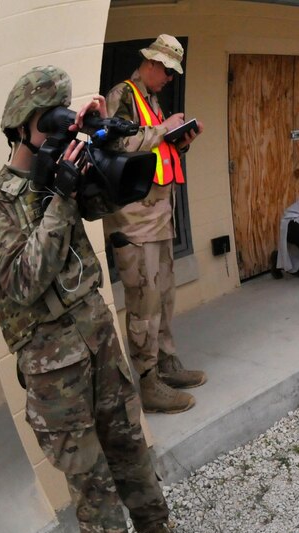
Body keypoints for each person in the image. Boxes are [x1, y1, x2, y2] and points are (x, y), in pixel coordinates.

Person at [0, 66, 206, 533]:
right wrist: (60, 196)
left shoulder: (63, 173)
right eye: (49, 121)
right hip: (54, 369)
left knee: (129, 447)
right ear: (24, 128)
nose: (57, 132)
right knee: (91, 475)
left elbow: (110, 201)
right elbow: (25, 282)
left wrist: (113, 142)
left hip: (98, 342)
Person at [103, 34, 206, 414]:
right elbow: (114, 146)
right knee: (143, 303)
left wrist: (179, 141)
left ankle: (165, 365)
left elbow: (152, 150)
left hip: (159, 217)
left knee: (163, 296)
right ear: (152, 64)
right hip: (134, 223)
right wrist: (165, 128)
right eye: (167, 72)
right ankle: (147, 382)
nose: (169, 79)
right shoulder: (123, 95)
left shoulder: (152, 100)